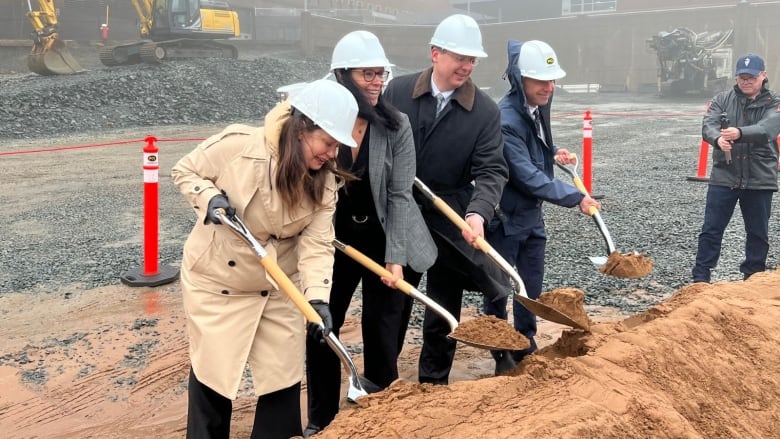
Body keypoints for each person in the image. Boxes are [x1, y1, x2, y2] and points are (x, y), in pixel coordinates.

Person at [170, 79, 358, 439]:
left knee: (282, 378)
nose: (332, 154)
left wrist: (317, 298)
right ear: (303, 128)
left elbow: (318, 243)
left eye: (337, 145)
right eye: (328, 142)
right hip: (219, 280)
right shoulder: (240, 146)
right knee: (214, 375)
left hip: (278, 285)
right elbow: (184, 170)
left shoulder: (325, 181)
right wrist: (208, 197)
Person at [303, 31, 437, 436]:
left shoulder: (396, 125)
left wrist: (395, 258)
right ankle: (321, 417)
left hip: (383, 235)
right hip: (330, 239)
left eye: (381, 74)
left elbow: (399, 194)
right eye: (368, 74)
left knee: (384, 325)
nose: (378, 82)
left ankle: (379, 403)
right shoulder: (315, 121)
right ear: (342, 76)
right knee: (322, 325)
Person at [383, 14, 510, 385]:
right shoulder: (398, 93)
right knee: (394, 299)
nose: (467, 66)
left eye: (472, 60)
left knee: (444, 302)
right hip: (401, 210)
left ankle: (434, 381)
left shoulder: (484, 111)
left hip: (450, 212)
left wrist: (477, 213)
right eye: (460, 57)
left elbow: (491, 171)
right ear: (435, 53)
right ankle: (382, 379)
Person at [483, 40, 602, 374]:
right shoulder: (506, 118)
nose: (549, 87)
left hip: (532, 217)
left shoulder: (537, 107)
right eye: (540, 81)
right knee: (500, 289)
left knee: (531, 286)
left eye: (552, 81)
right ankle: (501, 352)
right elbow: (525, 175)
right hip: (505, 218)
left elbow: (533, 155)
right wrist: (575, 196)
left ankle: (525, 343)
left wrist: (553, 154)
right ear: (521, 80)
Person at [693, 53, 780, 283]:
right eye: (742, 77)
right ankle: (700, 279)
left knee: (757, 234)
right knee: (711, 230)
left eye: (751, 77)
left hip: (759, 178)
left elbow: (767, 129)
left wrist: (739, 133)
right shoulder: (722, 99)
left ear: (763, 76)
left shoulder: (775, 103)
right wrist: (716, 139)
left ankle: (753, 279)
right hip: (725, 176)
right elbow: (708, 125)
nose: (746, 81)